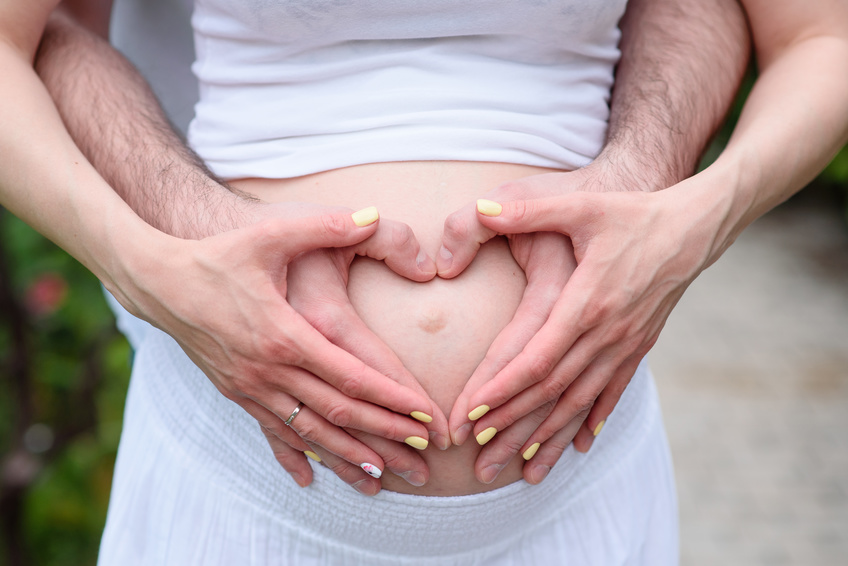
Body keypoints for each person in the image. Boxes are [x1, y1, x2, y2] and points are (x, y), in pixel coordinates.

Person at [1, 0, 845, 564]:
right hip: (239, 481)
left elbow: (818, 35)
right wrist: (150, 262)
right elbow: (34, 33)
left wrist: (691, 219)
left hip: (579, 492)